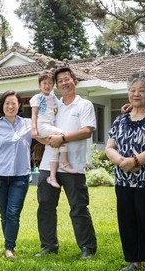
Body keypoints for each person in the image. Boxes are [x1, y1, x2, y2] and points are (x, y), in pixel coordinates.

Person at [105, 73, 145, 271]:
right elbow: (109, 147)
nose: (136, 94)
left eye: (141, 90)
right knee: (127, 220)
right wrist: (122, 162)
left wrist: (136, 161)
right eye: (132, 90)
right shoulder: (120, 119)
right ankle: (134, 260)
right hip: (123, 179)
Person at [35, 66, 98, 259]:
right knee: (45, 205)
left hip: (74, 166)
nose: (63, 82)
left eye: (66, 79)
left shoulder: (84, 105)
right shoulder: (53, 104)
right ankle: (48, 245)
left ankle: (87, 247)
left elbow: (88, 131)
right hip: (48, 164)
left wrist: (62, 139)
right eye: (59, 80)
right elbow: (40, 128)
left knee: (78, 207)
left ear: (75, 81)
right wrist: (45, 140)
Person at [0, 90, 32, 260]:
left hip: (21, 176)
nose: (10, 106)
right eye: (7, 103)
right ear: (2, 106)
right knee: (4, 213)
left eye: (14, 103)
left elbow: (44, 127)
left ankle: (9, 247)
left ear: (19, 105)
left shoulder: (28, 124)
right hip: (1, 176)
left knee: (13, 212)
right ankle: (9, 243)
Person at [30, 71, 77, 189]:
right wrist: (34, 130)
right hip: (42, 125)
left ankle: (52, 177)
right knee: (62, 134)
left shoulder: (53, 97)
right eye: (44, 83)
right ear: (39, 85)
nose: (47, 86)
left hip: (49, 125)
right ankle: (65, 163)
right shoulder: (37, 98)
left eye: (50, 83)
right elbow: (34, 115)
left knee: (55, 148)